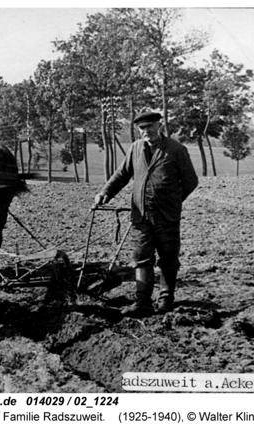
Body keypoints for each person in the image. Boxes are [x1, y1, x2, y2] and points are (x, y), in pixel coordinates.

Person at [94, 111, 199, 317]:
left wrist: (172, 203)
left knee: (168, 259)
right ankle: (143, 302)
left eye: (150, 126)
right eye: (142, 128)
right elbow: (121, 175)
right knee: (141, 258)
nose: (146, 131)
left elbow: (190, 181)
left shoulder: (176, 149)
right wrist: (105, 192)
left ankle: (166, 301)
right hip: (140, 216)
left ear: (159, 125)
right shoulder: (135, 149)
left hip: (167, 217)